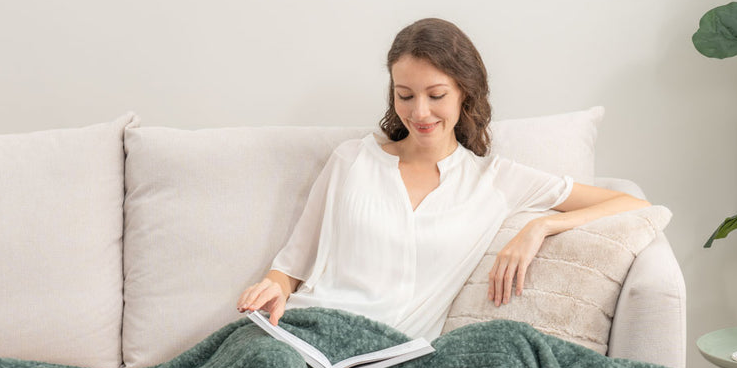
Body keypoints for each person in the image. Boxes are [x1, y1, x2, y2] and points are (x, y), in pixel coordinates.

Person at [237, 17, 649, 341]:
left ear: (464, 93)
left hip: (387, 354)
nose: (419, 112)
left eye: (435, 96)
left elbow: (634, 205)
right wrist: (273, 287)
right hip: (305, 333)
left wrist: (542, 225)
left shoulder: (495, 180)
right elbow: (289, 268)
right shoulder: (352, 160)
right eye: (404, 95)